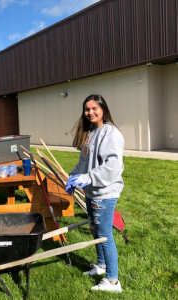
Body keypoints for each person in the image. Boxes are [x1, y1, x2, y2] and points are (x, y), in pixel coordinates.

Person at [65, 94, 124, 293]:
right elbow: (84, 162)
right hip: (91, 191)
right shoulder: (91, 133)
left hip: (105, 192)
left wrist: (89, 178)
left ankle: (113, 281)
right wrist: (73, 177)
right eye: (86, 109)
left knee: (105, 235)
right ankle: (101, 266)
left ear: (103, 109)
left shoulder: (110, 133)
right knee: (94, 230)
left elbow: (113, 165)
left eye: (94, 108)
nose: (90, 112)